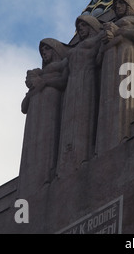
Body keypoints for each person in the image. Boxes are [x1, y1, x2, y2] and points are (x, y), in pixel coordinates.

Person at [95, 0, 134, 154]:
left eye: (121, 4)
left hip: (126, 55)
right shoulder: (111, 27)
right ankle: (105, 143)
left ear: (130, 5)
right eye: (115, 6)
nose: (118, 8)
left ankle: (123, 134)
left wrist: (119, 33)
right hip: (110, 61)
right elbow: (97, 59)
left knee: (124, 96)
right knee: (107, 99)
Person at [19, 38, 68, 197]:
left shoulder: (62, 64)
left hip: (51, 105)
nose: (44, 53)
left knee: (48, 138)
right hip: (36, 111)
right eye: (42, 51)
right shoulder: (37, 75)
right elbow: (23, 107)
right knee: (34, 143)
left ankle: (46, 173)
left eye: (47, 49)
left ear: (55, 50)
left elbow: (63, 81)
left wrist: (44, 82)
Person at [57, 15, 104, 177]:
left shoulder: (98, 38)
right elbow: (61, 74)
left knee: (84, 114)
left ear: (91, 26)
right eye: (79, 27)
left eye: (84, 26)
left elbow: (99, 59)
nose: (81, 29)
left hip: (86, 80)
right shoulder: (72, 52)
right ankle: (69, 156)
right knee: (71, 118)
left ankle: (83, 152)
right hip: (71, 86)